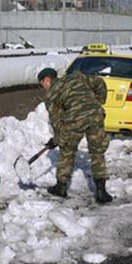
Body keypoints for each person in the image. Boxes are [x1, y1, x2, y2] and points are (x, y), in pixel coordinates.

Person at [37, 68, 113, 203]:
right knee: (97, 152)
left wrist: (58, 139)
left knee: (67, 151)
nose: (43, 88)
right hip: (96, 115)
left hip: (75, 120)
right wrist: (98, 101)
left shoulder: (51, 95)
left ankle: (61, 187)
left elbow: (57, 122)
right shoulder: (77, 77)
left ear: (47, 80)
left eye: (41, 84)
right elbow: (99, 82)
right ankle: (101, 192)